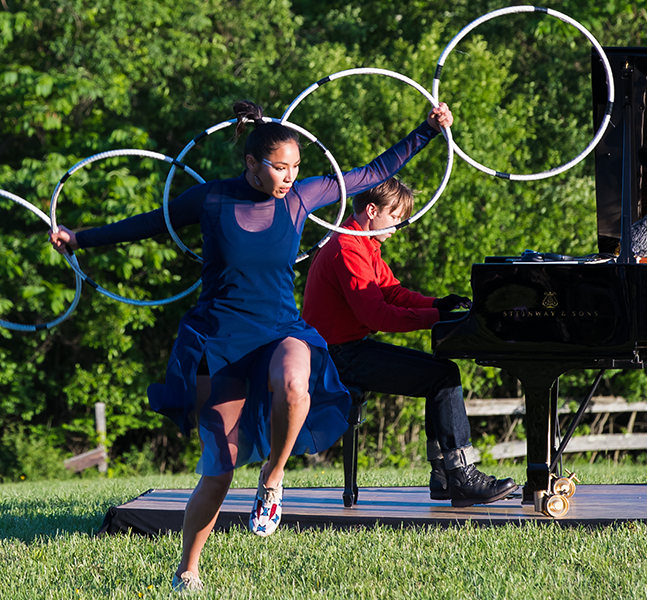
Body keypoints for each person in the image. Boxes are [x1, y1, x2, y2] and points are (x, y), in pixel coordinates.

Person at [49, 100, 453, 593]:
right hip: (218, 338)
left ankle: (273, 477)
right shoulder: (211, 199)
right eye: (279, 167)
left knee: (295, 385)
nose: (288, 176)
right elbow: (147, 223)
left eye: (295, 168)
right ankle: (188, 568)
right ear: (250, 163)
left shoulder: (302, 199)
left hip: (281, 329)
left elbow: (372, 172)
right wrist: (79, 238)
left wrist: (427, 131)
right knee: (218, 468)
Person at [301, 177, 518, 508]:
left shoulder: (361, 244)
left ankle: (446, 476)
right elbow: (378, 317)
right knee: (441, 376)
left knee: (440, 374)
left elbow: (391, 292)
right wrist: (435, 319)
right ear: (372, 210)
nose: (399, 226)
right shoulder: (347, 249)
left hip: (345, 350)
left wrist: (436, 304)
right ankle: (460, 477)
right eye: (396, 217)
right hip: (336, 358)